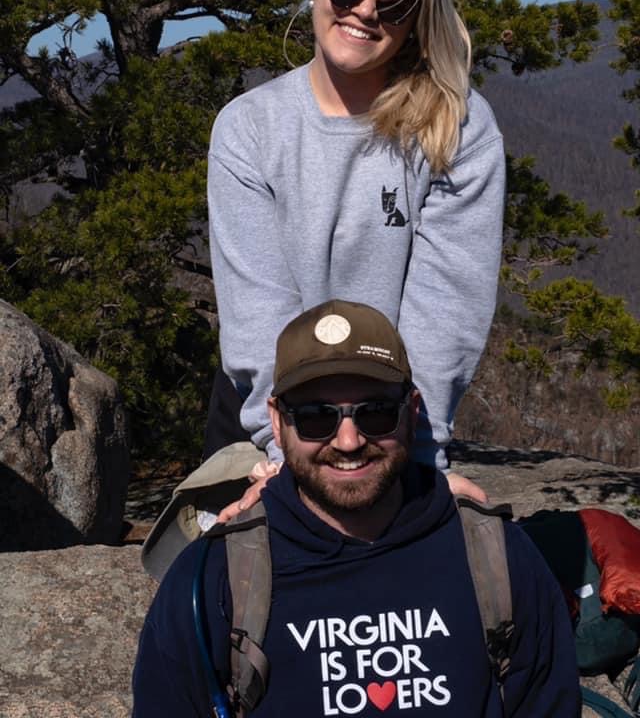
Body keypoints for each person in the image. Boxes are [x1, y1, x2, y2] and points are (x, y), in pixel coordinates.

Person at [132, 300, 581, 717]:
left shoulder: (498, 557)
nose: (348, 441)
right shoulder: (212, 580)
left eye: (376, 412)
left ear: (412, 412)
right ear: (276, 420)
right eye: (316, 417)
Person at [206, 0, 505, 500]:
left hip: (387, 420)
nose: (365, 10)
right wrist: (283, 450)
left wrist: (417, 456)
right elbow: (258, 308)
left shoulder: (457, 129)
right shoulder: (248, 129)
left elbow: (445, 311)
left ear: (419, 18)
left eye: (393, 0)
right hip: (272, 415)